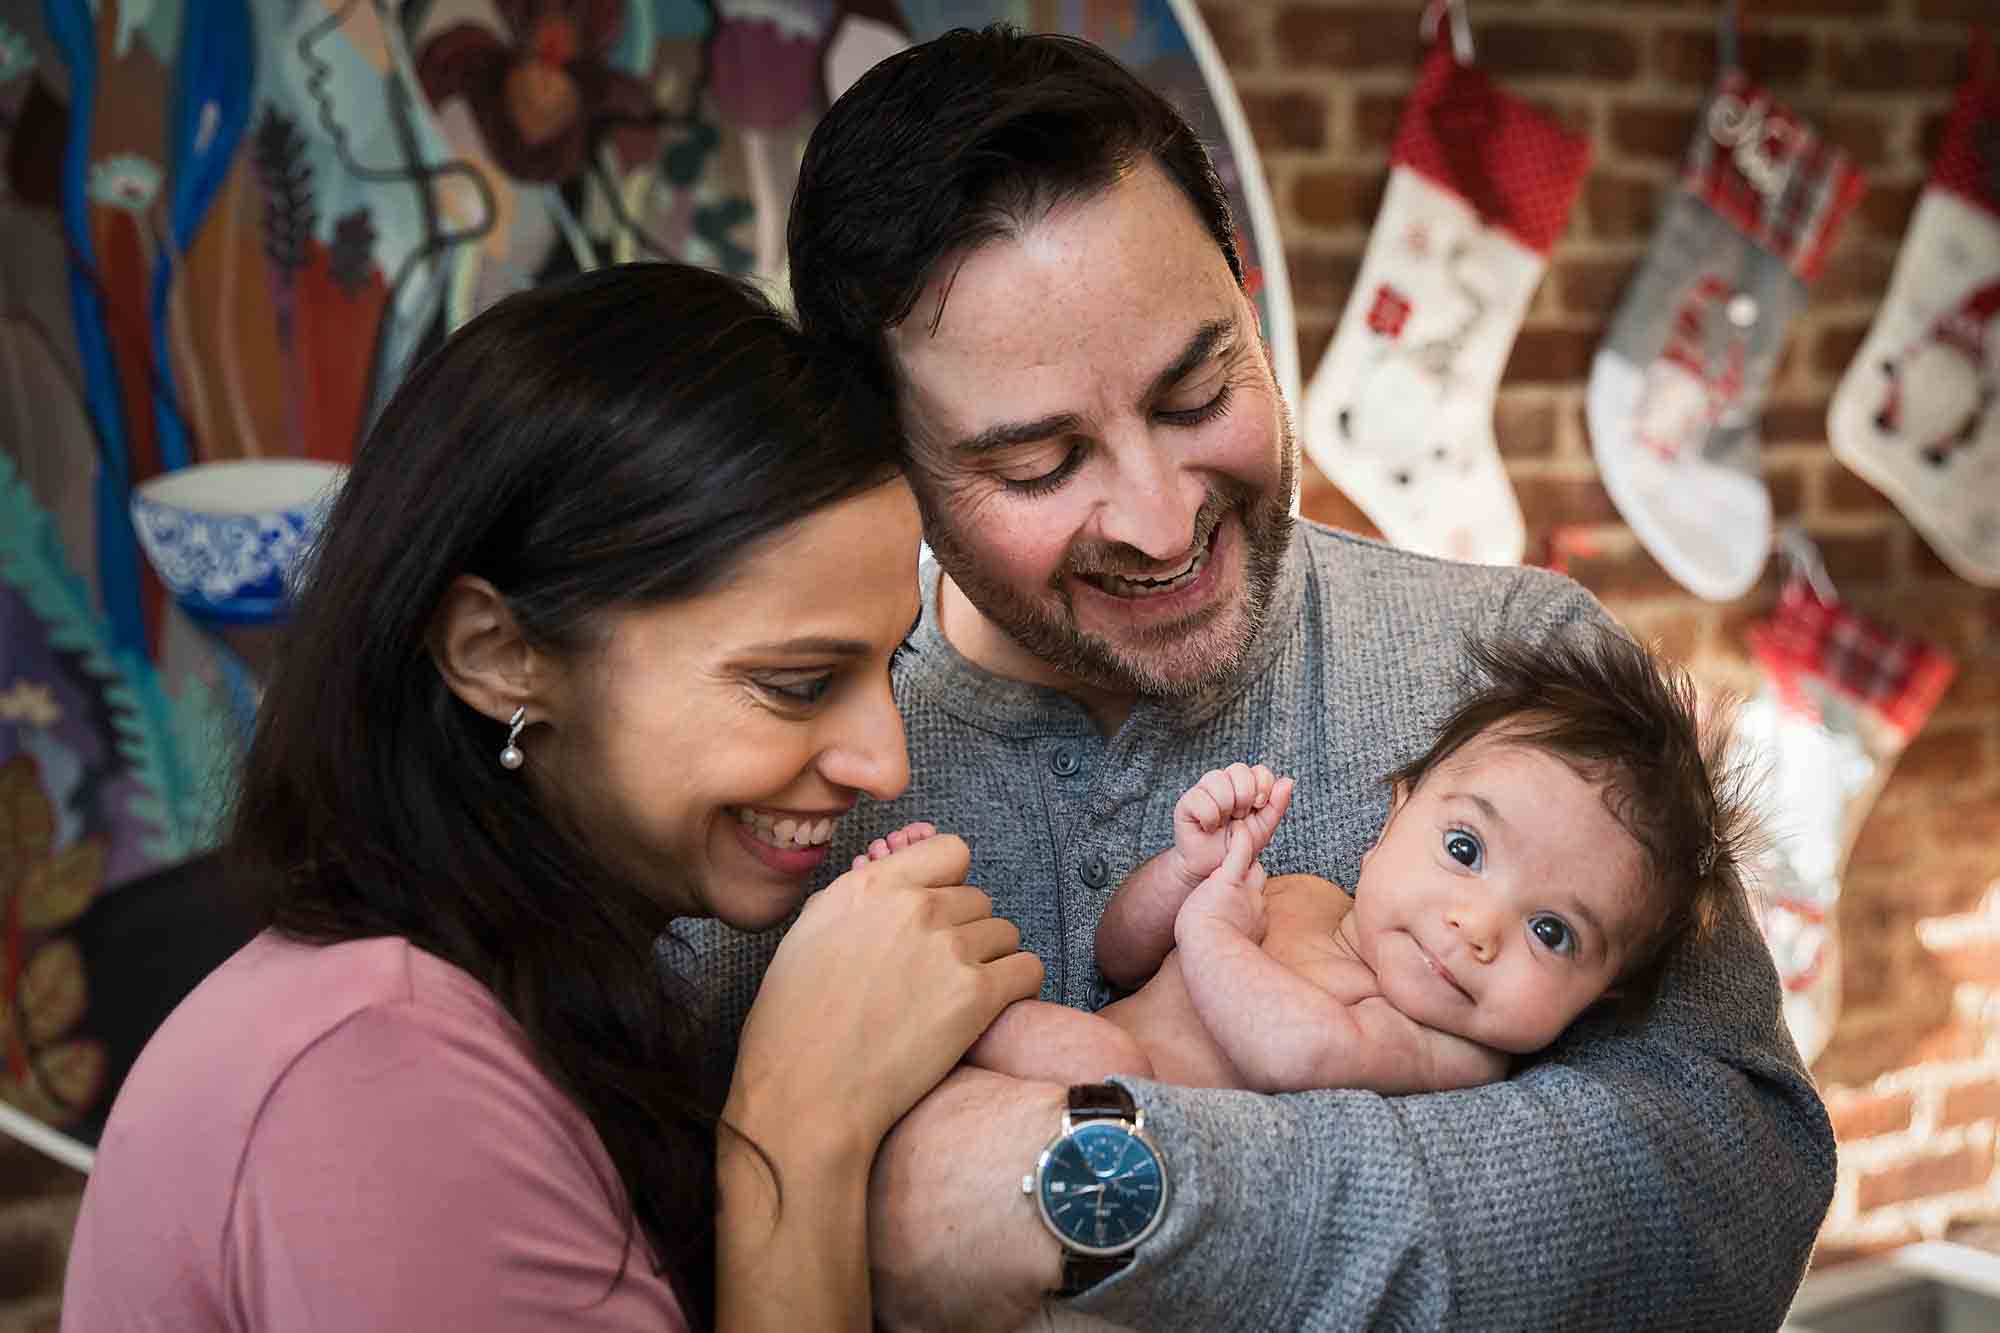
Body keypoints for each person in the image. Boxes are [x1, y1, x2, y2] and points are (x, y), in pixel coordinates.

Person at [678, 24, 1838, 1331]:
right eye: (1040, 466)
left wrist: (1100, 1187)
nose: (1164, 524)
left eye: (1196, 390)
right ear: (891, 452)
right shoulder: (772, 794)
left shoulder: (1534, 678)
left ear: (1247, 295)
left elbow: (1738, 1175)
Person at [60, 262, 1043, 1332]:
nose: (882, 761)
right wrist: (799, 1131)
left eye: (889, 668)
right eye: (796, 684)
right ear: (497, 653)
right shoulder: (379, 1078)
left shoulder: (508, 1001)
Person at [959, 631, 1760, 1096]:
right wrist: (1182, 872)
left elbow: (1297, 1052)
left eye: (1552, 931)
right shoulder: (1303, 895)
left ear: (1602, 993)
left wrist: (1210, 931)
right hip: (1043, 1083)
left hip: (1121, 1120)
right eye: (1464, 850)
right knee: (1001, 988)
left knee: (1087, 1051)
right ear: (1392, 817)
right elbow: (1118, 954)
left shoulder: (1447, 1050)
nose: (1476, 926)